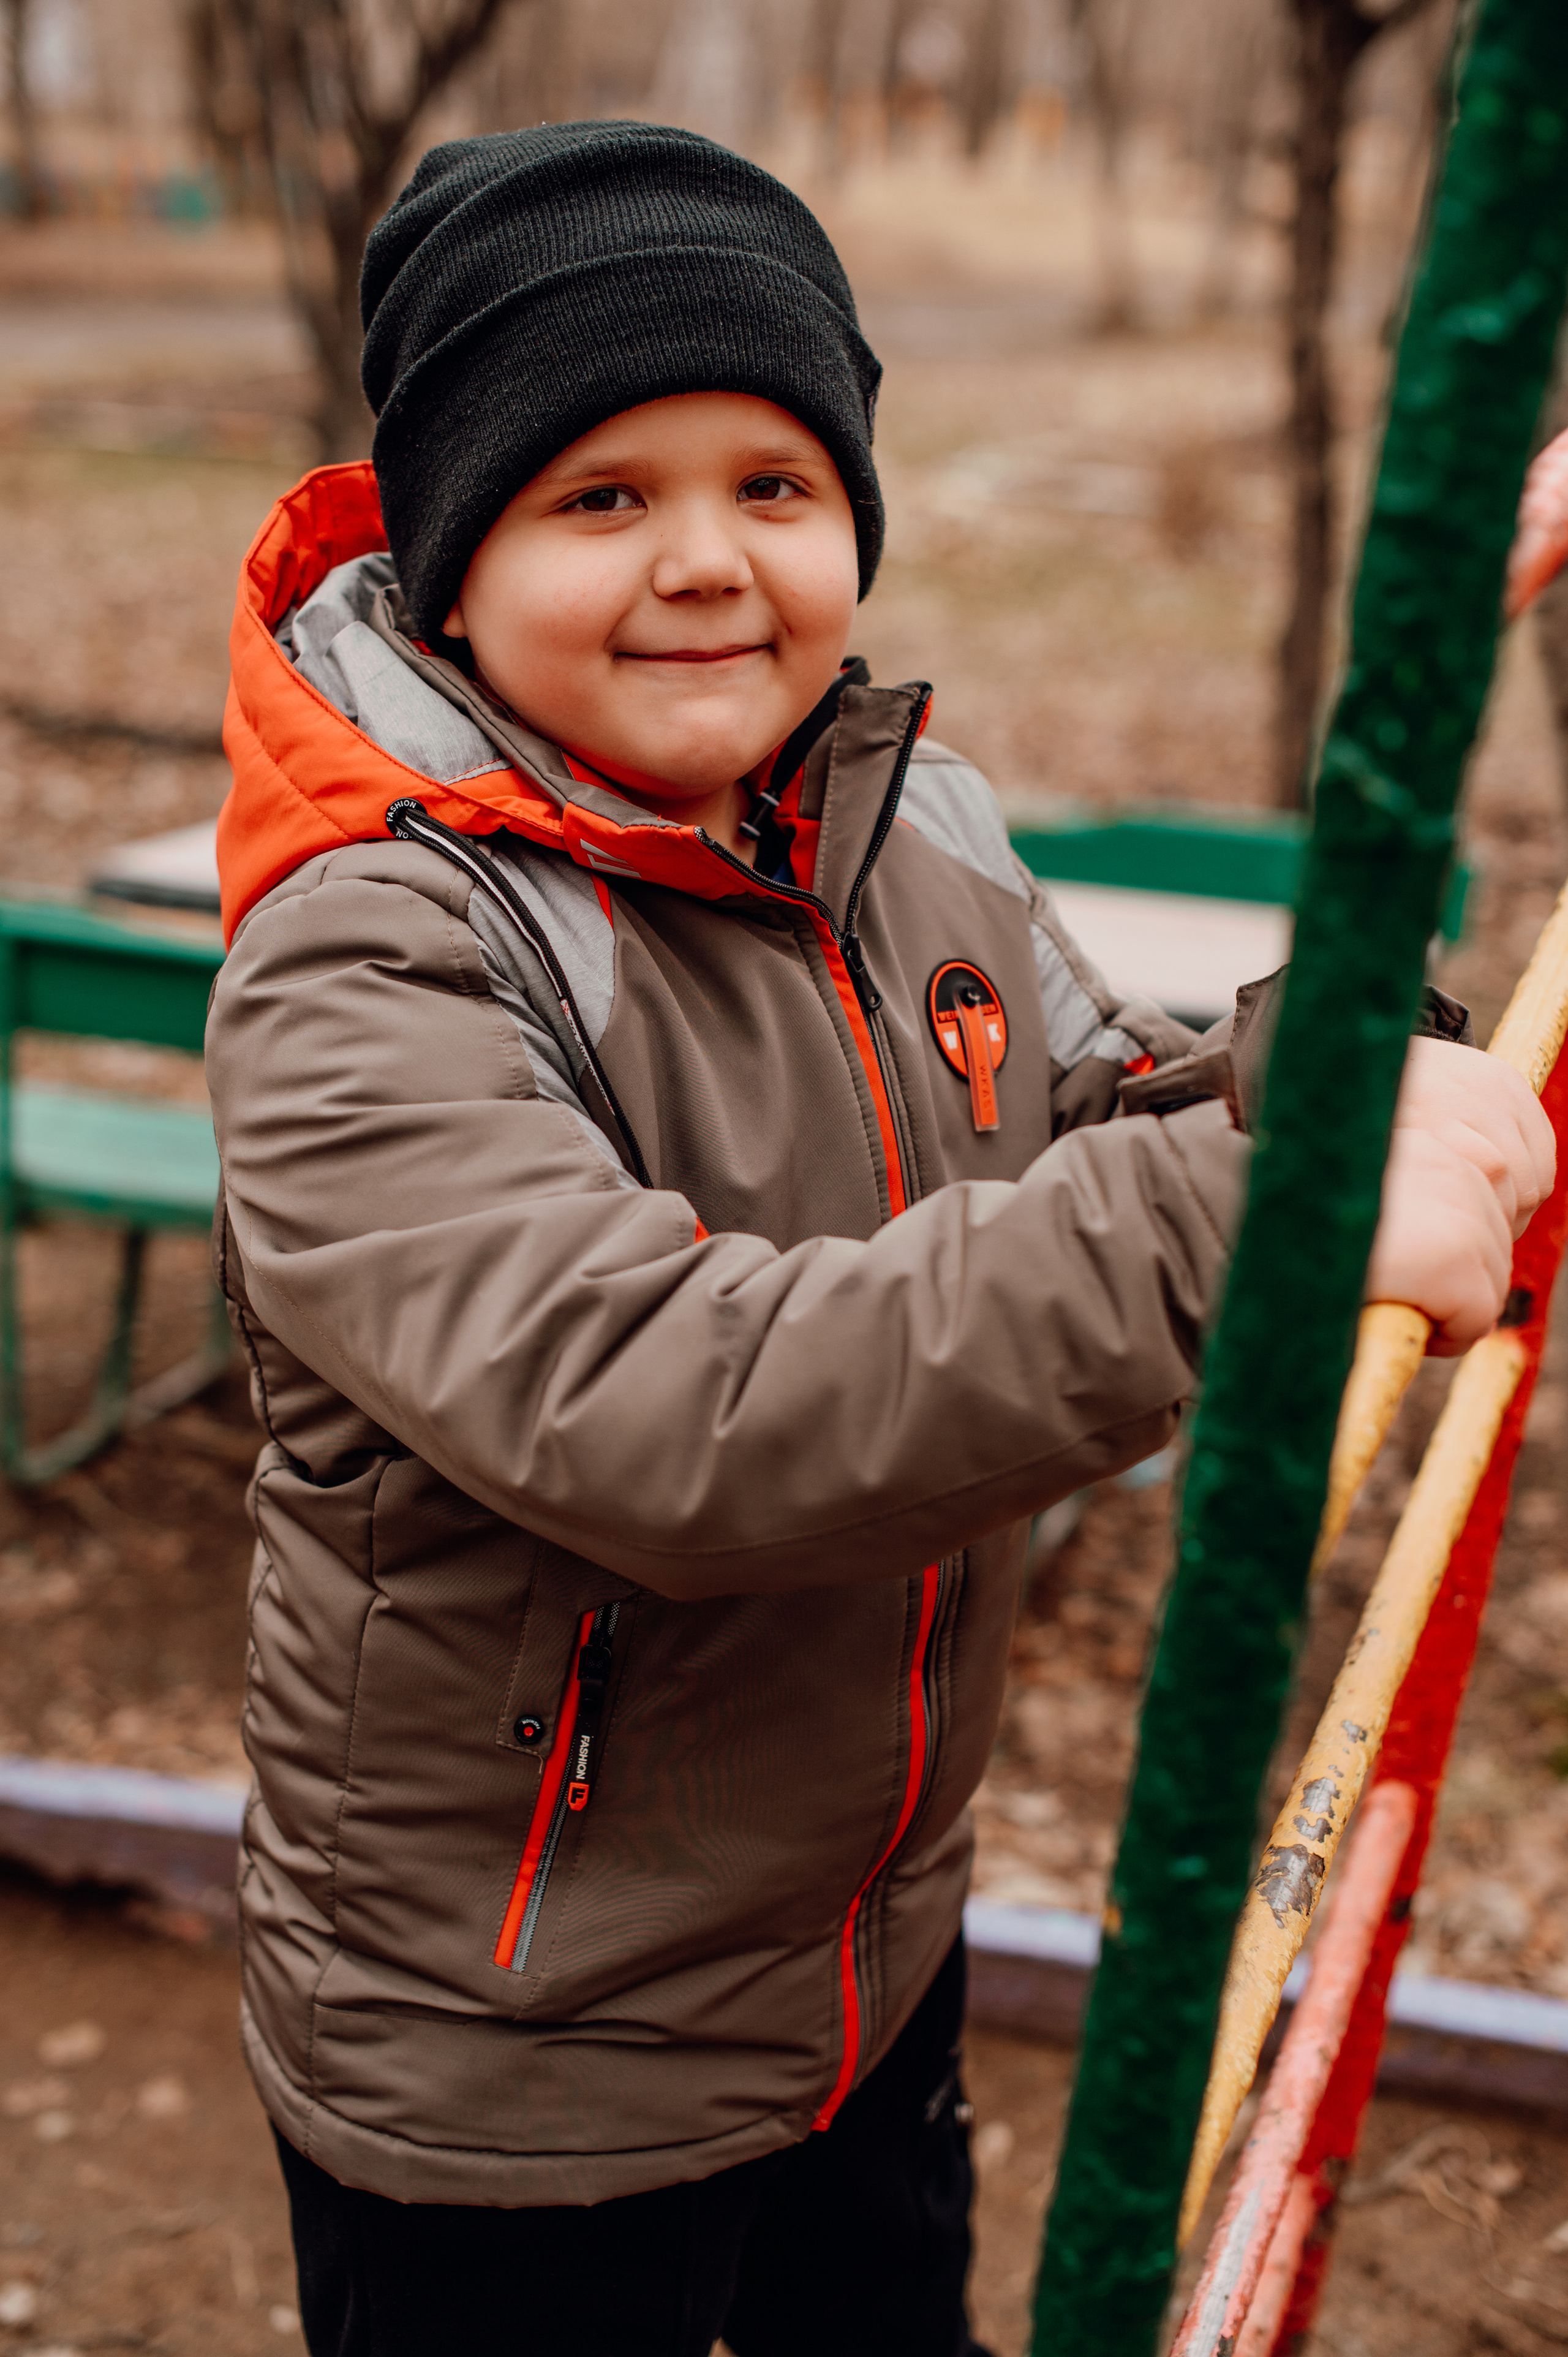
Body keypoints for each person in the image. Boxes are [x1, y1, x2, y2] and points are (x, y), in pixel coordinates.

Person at [205, 121, 1552, 2357]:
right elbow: (672, 1407)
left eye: (776, 485)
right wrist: (1270, 1217)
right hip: (526, 2056)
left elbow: (1082, 1091)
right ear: (451, 557)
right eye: (600, 497)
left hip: (865, 1960)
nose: (711, 563)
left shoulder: (896, 816)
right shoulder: (372, 958)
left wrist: (1311, 1069)